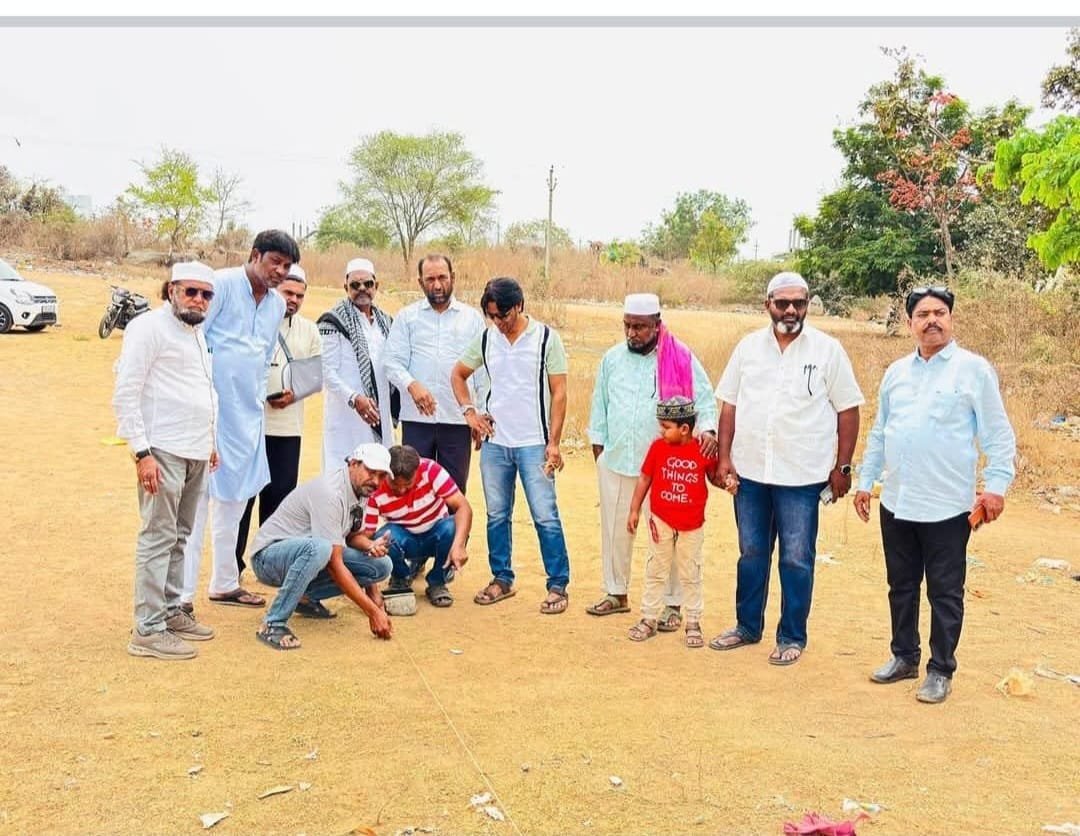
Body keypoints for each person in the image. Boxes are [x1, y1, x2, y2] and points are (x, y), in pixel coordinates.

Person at [854, 286, 1016, 703]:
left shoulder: (973, 371)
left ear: (951, 319)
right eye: (923, 314)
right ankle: (903, 657)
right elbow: (880, 431)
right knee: (901, 586)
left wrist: (996, 487)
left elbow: (998, 435)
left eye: (939, 313)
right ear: (910, 323)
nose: (932, 321)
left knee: (945, 592)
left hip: (947, 506)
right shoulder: (896, 373)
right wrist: (865, 481)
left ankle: (940, 670)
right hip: (898, 501)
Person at [710, 272, 864, 665]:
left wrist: (843, 466)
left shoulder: (828, 351)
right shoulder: (748, 348)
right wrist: (724, 458)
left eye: (799, 302)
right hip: (751, 473)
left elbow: (848, 410)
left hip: (802, 475)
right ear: (768, 305)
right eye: (782, 303)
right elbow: (729, 407)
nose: (791, 310)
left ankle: (792, 635)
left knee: (796, 557)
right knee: (751, 552)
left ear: (808, 304)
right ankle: (747, 626)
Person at [182, 229, 300, 612]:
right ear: (254, 255)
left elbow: (263, 356)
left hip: (248, 414)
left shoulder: (276, 305)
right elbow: (193, 340)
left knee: (235, 500)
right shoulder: (220, 285)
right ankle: (181, 597)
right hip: (209, 413)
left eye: (286, 266)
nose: (279, 271)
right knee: (196, 503)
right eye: (274, 262)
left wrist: (259, 395)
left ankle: (225, 582)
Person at [585, 293, 718, 628]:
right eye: (628, 326)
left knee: (667, 534)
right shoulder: (612, 359)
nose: (632, 333)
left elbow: (704, 399)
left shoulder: (680, 357)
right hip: (617, 458)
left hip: (665, 466)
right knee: (615, 529)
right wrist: (599, 448)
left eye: (640, 327)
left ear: (657, 325)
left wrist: (708, 431)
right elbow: (600, 403)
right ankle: (616, 592)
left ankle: (672, 605)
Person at [113, 262, 218, 660]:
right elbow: (126, 390)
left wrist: (210, 440)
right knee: (158, 537)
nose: (198, 300)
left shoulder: (197, 332)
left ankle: (172, 611)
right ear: (171, 289)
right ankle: (148, 628)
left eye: (206, 294)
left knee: (180, 535)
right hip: (162, 449)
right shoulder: (148, 328)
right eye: (191, 291)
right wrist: (141, 452)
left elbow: (202, 390)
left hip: (195, 450)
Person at [450, 277, 572, 614]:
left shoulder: (546, 338)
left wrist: (554, 443)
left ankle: (558, 585)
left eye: (503, 315)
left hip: (534, 442)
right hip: (495, 443)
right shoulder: (487, 338)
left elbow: (559, 392)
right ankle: (501, 578)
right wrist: (470, 413)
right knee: (497, 515)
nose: (499, 322)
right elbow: (457, 374)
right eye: (492, 316)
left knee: (545, 515)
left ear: (519, 305)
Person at [248, 444, 395, 650]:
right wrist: (373, 612)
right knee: (321, 549)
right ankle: (273, 624)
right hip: (267, 558)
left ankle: (305, 598)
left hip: (306, 555)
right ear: (353, 463)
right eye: (371, 472)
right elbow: (334, 563)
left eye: (381, 476)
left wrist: (371, 546)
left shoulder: (360, 489)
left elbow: (352, 536)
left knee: (381, 566)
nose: (376, 481)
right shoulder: (330, 492)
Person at [235, 263, 321, 576]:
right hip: (250, 427)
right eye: (288, 293)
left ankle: (271, 567)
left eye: (299, 295)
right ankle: (232, 567)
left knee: (279, 500)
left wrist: (293, 395)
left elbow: (315, 377)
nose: (293, 300)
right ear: (275, 290)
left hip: (287, 430)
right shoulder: (251, 321)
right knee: (243, 500)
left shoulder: (309, 330)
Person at [383, 254, 485, 493]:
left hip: (457, 419)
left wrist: (478, 413)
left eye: (442, 277)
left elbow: (482, 371)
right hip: (417, 420)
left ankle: (453, 522)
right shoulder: (407, 317)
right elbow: (391, 361)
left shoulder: (471, 319)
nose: (437, 285)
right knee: (413, 488)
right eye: (430, 279)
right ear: (420, 282)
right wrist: (412, 385)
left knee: (454, 490)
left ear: (453, 278)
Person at [626, 397, 720, 648]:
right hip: (661, 521)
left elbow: (714, 477)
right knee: (656, 570)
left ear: (685, 428)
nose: (661, 431)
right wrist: (634, 510)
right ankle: (648, 618)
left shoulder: (702, 450)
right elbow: (644, 479)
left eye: (666, 427)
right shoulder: (658, 448)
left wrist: (729, 482)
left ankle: (693, 622)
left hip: (692, 525)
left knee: (691, 573)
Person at [351, 445, 472, 609]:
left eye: (408, 484)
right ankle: (401, 578)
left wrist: (459, 545)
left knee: (453, 527)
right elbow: (366, 534)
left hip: (436, 533)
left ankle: (438, 581)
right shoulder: (376, 487)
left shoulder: (431, 470)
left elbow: (463, 507)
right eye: (395, 484)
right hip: (403, 538)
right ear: (387, 474)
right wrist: (370, 546)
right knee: (383, 537)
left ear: (417, 471)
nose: (401, 490)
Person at [319, 257, 398, 466]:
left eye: (368, 284)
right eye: (355, 285)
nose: (362, 289)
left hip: (380, 411)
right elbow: (326, 371)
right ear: (345, 287)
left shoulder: (386, 322)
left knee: (379, 469)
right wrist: (354, 399)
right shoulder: (332, 321)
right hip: (346, 416)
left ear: (376, 286)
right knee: (346, 471)